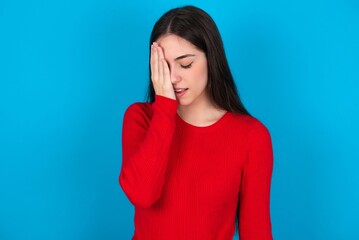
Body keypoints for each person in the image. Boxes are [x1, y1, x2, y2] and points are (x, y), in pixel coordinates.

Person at [119, 5, 274, 240]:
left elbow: (257, 233)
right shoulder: (141, 118)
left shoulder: (251, 137)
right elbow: (142, 194)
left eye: (186, 64)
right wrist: (164, 107)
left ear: (212, 59)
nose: (172, 78)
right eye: (164, 66)